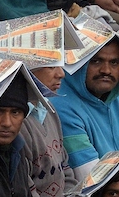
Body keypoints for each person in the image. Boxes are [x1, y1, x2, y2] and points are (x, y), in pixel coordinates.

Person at [51, 40, 119, 180]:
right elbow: (91, 177)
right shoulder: (61, 105)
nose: (106, 70)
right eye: (96, 61)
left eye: (114, 63)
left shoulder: (115, 98)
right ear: (78, 63)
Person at [21, 66, 78, 196]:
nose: (61, 74)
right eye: (51, 66)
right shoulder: (16, 122)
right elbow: (26, 186)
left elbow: (65, 170)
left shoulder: (48, 108)